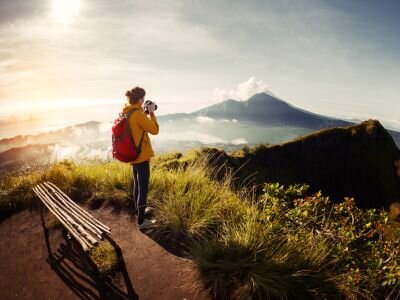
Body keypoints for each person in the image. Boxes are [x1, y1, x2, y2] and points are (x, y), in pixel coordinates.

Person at [123, 86, 159, 230]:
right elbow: (155, 130)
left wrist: (144, 112)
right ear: (139, 99)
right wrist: (151, 113)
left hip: (132, 155)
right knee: (143, 188)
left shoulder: (128, 111)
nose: (144, 101)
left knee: (137, 186)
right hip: (141, 156)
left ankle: (140, 211)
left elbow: (136, 127)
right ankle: (141, 222)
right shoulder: (138, 114)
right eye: (143, 99)